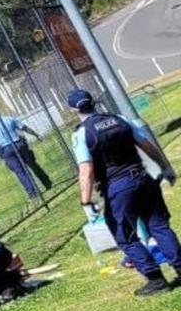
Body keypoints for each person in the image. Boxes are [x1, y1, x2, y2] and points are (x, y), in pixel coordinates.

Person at [69, 88, 180, 296]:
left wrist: (86, 201)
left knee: (125, 235)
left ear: (74, 109)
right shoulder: (119, 119)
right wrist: (165, 167)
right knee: (159, 226)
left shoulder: (82, 133)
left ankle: (155, 279)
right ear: (94, 102)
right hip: (142, 178)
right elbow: (147, 145)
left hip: (117, 187)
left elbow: (86, 170)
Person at [0, 107, 52, 199]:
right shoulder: (9, 119)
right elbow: (24, 128)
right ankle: (47, 182)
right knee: (32, 164)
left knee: (20, 171)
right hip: (19, 145)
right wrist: (35, 134)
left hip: (5, 149)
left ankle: (32, 192)